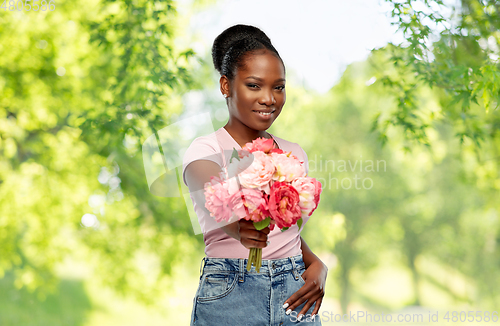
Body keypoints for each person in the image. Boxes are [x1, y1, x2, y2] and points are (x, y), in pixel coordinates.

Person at [183, 24, 327, 326]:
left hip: (294, 292)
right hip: (230, 291)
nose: (269, 98)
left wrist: (315, 264)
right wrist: (239, 228)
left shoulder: (293, 154)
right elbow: (210, 192)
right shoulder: (206, 149)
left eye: (278, 86)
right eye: (254, 85)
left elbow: (287, 235)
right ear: (225, 86)